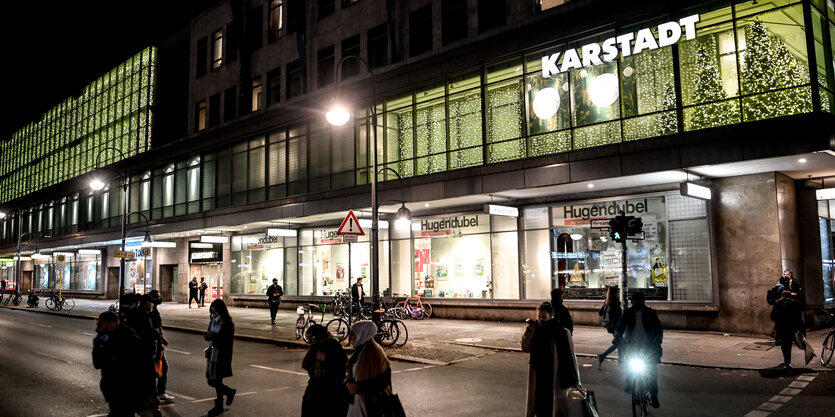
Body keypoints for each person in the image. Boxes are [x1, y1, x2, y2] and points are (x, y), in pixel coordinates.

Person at [93, 311, 158, 417]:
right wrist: (99, 344)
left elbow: (147, 363)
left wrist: (151, 392)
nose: (97, 328)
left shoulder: (128, 337)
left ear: (111, 324)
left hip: (131, 390)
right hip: (115, 392)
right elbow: (97, 363)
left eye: (100, 324)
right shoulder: (102, 341)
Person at [521, 300, 578, 417]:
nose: (541, 320)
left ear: (551, 316)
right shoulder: (535, 331)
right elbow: (525, 348)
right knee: (538, 404)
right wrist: (529, 332)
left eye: (544, 317)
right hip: (538, 373)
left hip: (554, 374)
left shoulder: (560, 332)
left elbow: (571, 357)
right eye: (539, 317)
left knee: (553, 405)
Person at [614, 292, 663, 409]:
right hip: (633, 345)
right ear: (632, 302)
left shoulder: (650, 313)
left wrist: (658, 339)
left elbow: (658, 328)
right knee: (630, 366)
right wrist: (617, 337)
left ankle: (654, 395)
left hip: (649, 346)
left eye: (640, 301)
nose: (637, 303)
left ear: (643, 301)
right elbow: (620, 327)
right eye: (635, 301)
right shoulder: (628, 313)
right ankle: (630, 384)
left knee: (651, 371)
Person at [344, 321, 392, 417]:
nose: (350, 337)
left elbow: (383, 380)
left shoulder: (376, 352)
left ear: (362, 334)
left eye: (353, 334)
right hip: (358, 401)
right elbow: (350, 371)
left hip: (370, 402)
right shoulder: (359, 350)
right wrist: (347, 382)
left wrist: (359, 387)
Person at [301, 324, 349, 417]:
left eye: (311, 337)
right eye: (307, 337)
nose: (309, 340)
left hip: (330, 391)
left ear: (318, 336)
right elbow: (308, 363)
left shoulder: (333, 345)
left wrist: (326, 359)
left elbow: (342, 365)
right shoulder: (315, 346)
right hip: (315, 389)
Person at [205, 299, 236, 416]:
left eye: (215, 310)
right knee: (211, 380)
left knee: (216, 380)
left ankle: (219, 406)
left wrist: (214, 336)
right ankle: (228, 392)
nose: (213, 313)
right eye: (212, 310)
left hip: (222, 355)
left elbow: (226, 339)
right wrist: (208, 336)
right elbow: (210, 333)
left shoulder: (227, 323)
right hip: (212, 354)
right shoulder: (213, 321)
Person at [145, 291, 173, 403]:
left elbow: (158, 327)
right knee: (156, 369)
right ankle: (153, 394)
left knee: (162, 367)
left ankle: (159, 393)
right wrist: (159, 339)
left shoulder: (153, 310)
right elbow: (151, 329)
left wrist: (162, 337)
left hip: (156, 343)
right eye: (157, 297)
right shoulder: (148, 312)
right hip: (152, 345)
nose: (159, 299)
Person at [597, 286, 623, 365]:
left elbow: (600, 313)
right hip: (617, 326)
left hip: (611, 325)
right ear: (615, 293)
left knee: (619, 342)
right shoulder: (616, 302)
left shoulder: (607, 302)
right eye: (617, 292)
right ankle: (603, 355)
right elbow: (618, 315)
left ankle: (620, 359)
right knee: (619, 343)